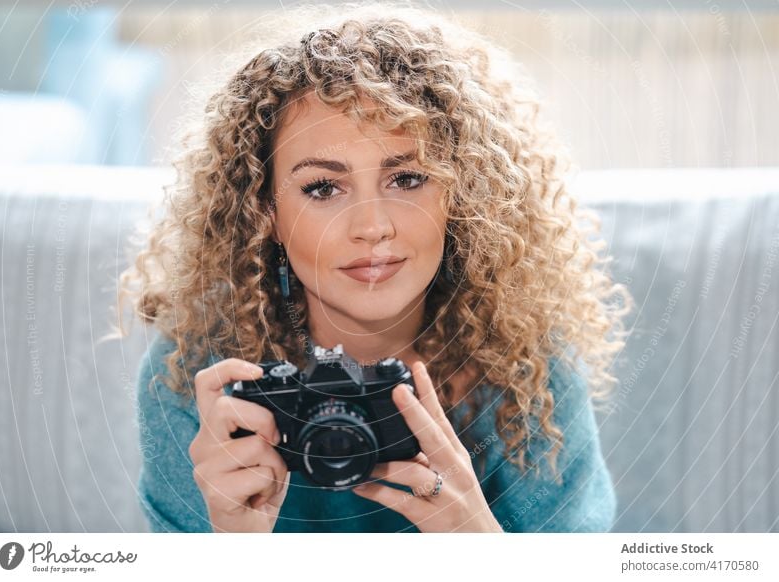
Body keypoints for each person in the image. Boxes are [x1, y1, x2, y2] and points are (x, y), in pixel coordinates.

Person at [117, 1, 632, 533]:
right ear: (265, 211)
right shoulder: (196, 375)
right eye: (323, 187)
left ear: (461, 192)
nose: (373, 226)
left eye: (406, 179)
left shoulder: (528, 374)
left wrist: (479, 546)